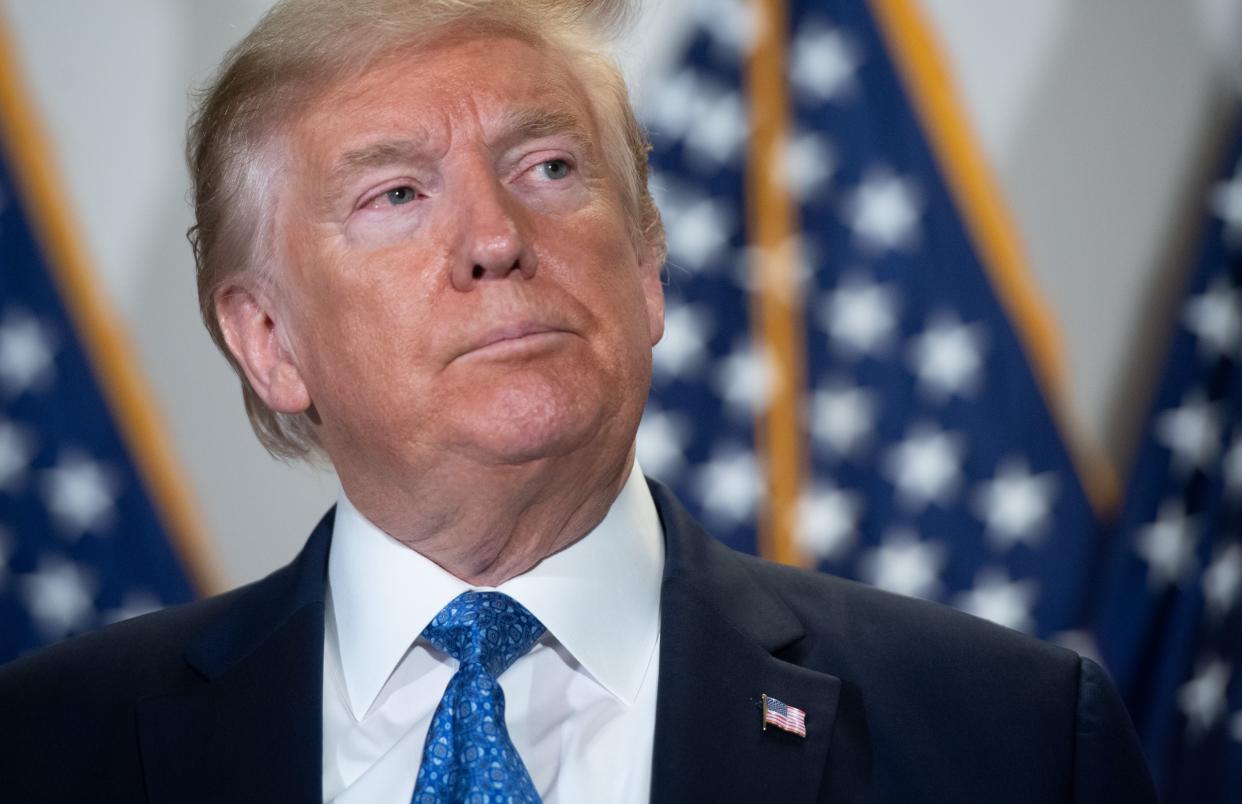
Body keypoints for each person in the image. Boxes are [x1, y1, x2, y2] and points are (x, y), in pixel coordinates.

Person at [0, 1, 1156, 801]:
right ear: (268, 341)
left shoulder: (1013, 738)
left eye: (549, 168)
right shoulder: (47, 750)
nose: (498, 239)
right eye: (398, 193)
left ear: (647, 265)